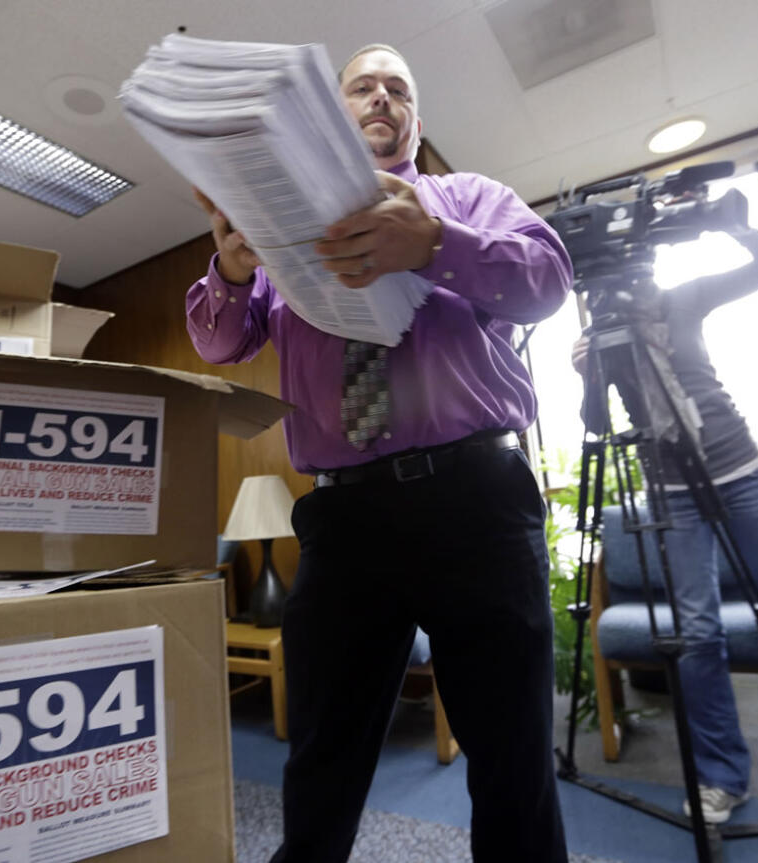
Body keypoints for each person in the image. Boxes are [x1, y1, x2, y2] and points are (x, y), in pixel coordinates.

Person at [187, 44, 571, 863]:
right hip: (346, 511)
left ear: (416, 122)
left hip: (477, 502)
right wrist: (228, 264)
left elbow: (545, 281)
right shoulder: (282, 224)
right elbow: (218, 342)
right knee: (322, 755)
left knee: (512, 755)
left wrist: (434, 243)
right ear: (334, 115)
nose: (381, 97)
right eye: (362, 86)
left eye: (398, 88)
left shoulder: (469, 198)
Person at [572, 219, 758, 825]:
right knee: (698, 633)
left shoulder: (684, 299)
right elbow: (599, 426)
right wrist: (587, 374)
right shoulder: (599, 336)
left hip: (746, 474)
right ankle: (720, 776)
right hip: (671, 492)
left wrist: (730, 224)